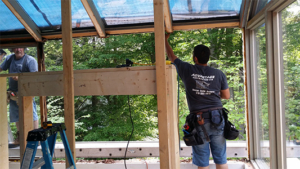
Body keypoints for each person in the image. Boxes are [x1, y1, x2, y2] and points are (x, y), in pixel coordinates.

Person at [165, 34, 230, 169]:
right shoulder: (219, 73)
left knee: (202, 160)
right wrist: (210, 92)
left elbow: (172, 57)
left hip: (199, 119)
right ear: (207, 58)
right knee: (221, 159)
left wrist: (164, 40)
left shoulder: (187, 69)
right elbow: (226, 96)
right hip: (218, 117)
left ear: (195, 58)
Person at [0, 47, 39, 144]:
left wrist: (21, 78)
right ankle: (20, 137)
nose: (18, 50)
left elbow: (35, 77)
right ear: (13, 49)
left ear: (24, 48)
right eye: (16, 48)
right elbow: (1, 68)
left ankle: (35, 137)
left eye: (20, 47)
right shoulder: (9, 58)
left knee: (31, 114)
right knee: (16, 115)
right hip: (13, 92)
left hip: (27, 91)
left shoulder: (30, 60)